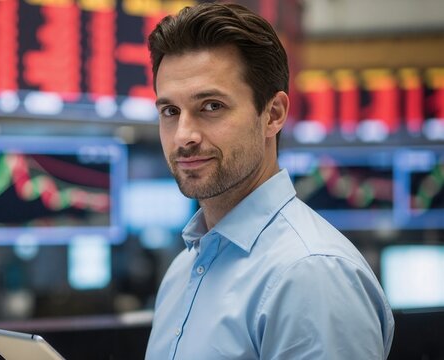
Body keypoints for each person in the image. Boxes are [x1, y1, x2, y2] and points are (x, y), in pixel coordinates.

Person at [144, 3, 395, 359]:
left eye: (211, 106)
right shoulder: (184, 270)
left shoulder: (311, 274)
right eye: (170, 111)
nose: (184, 135)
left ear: (273, 115)